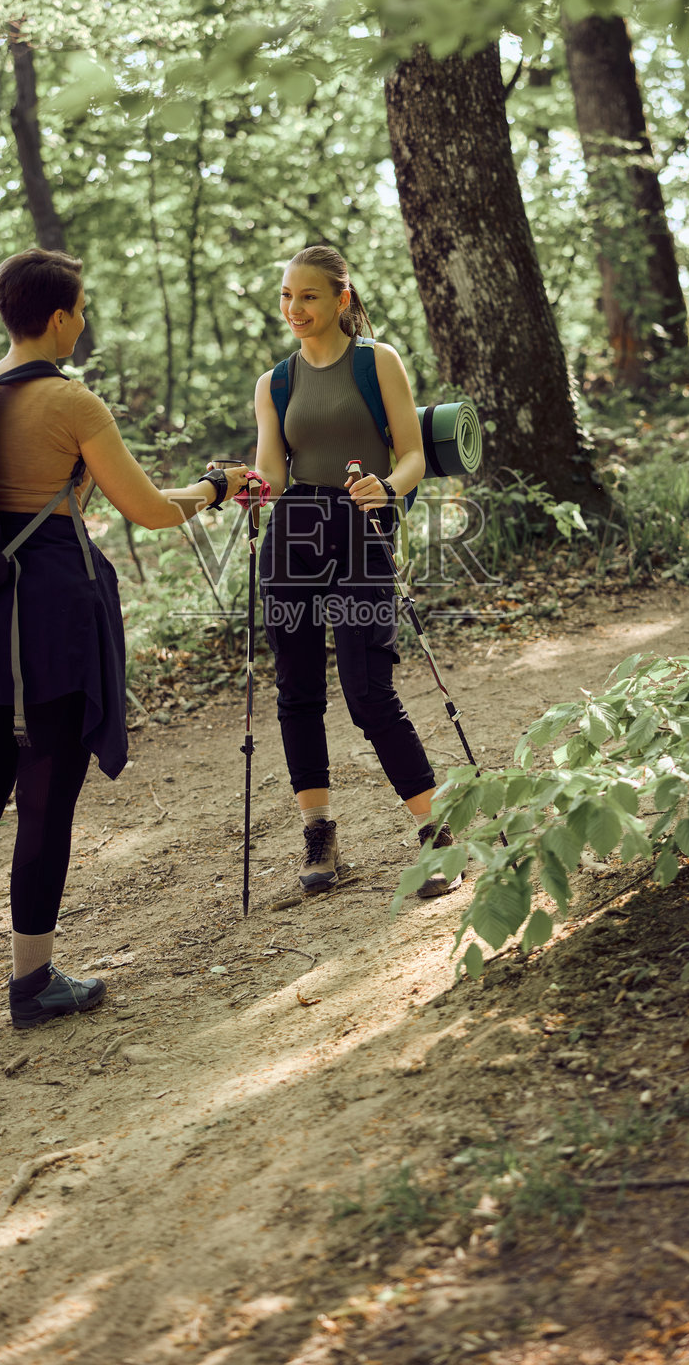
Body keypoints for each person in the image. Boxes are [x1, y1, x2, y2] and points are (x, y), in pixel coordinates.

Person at [0, 247, 248, 1037]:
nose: (83, 322)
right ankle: (33, 981)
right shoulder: (71, 403)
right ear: (57, 318)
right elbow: (147, 509)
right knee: (44, 800)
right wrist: (217, 488)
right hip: (45, 617)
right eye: (80, 310)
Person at [252, 244, 461, 898]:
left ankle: (437, 836)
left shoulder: (378, 363)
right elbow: (271, 477)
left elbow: (410, 457)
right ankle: (318, 836)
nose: (294, 308)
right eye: (286, 296)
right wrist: (234, 489)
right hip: (292, 537)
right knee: (296, 693)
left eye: (307, 296)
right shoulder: (274, 383)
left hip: (360, 530)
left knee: (369, 691)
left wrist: (387, 489)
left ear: (341, 300)